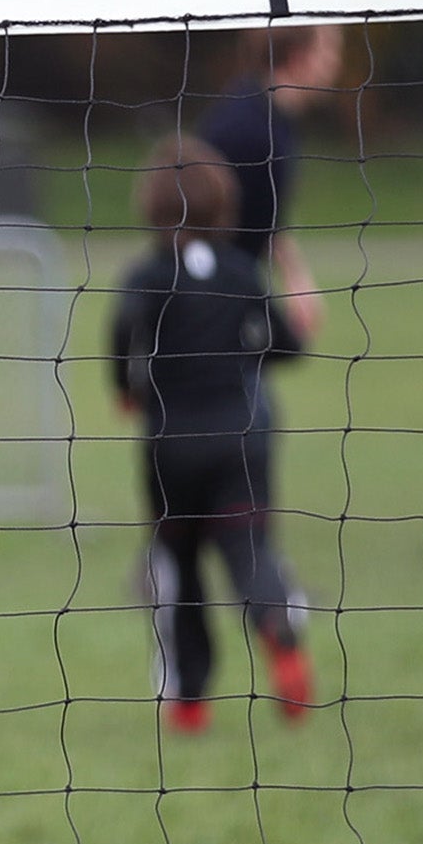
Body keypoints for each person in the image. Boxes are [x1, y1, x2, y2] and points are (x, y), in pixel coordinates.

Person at [108, 136, 315, 731]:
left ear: (150, 206)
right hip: (242, 440)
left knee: (180, 565)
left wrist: (126, 389)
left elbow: (122, 337)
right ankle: (279, 632)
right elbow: (288, 343)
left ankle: (190, 700)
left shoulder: (146, 275)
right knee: (251, 551)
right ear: (224, 204)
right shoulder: (241, 271)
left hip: (171, 446)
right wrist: (240, 356)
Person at [193, 23, 342, 343]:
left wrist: (296, 280)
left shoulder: (276, 119)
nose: (334, 62)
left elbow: (266, 215)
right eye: (327, 51)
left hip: (233, 293)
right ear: (299, 56)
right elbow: (201, 221)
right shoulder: (245, 128)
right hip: (209, 300)